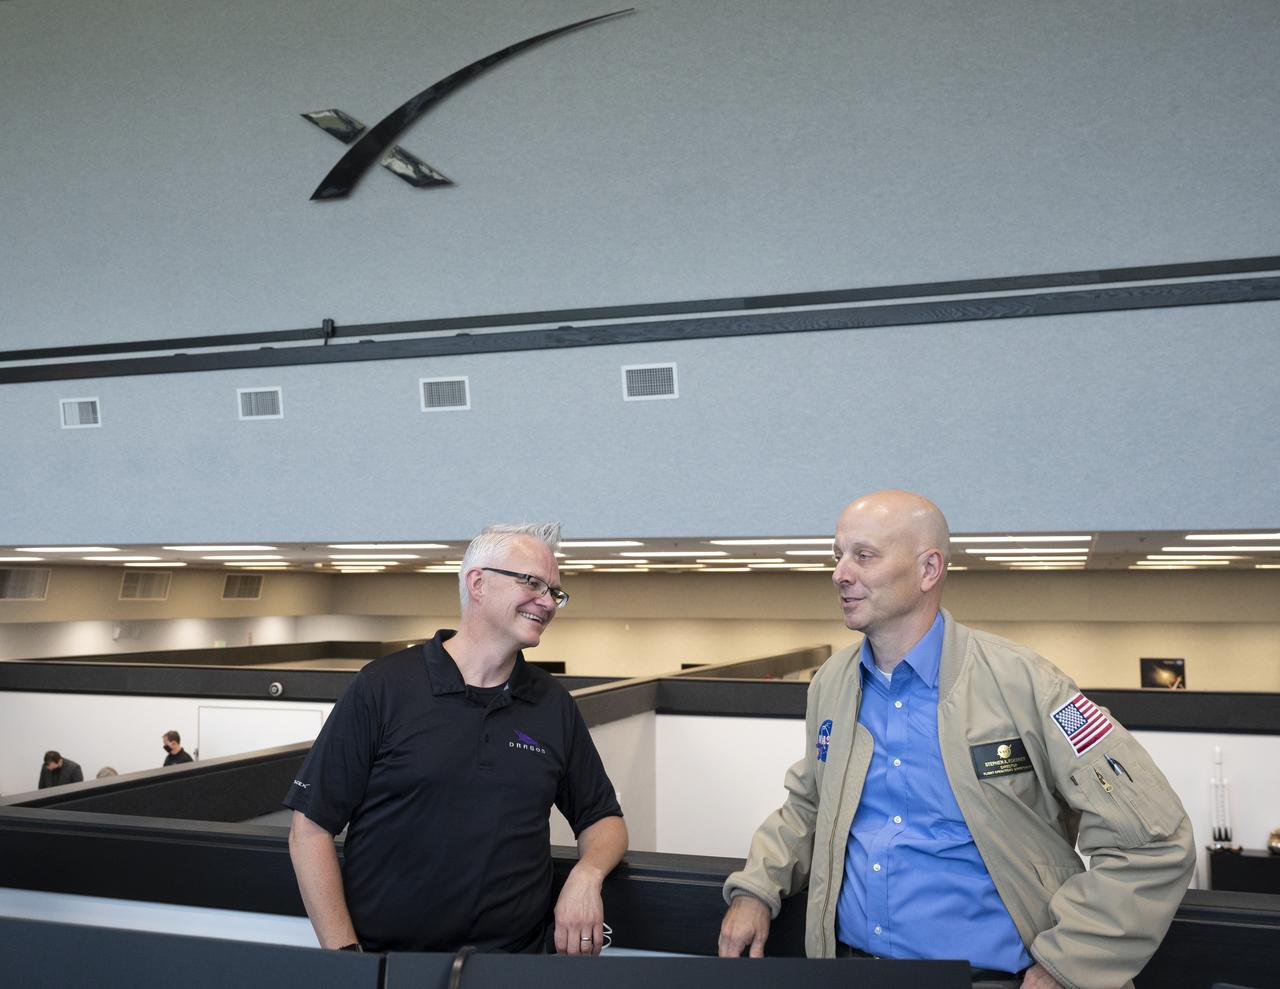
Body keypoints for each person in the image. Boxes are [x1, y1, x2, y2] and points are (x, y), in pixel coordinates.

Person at [719, 491, 1196, 989]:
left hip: (992, 978)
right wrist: (757, 887)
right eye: (837, 555)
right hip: (850, 968)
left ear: (929, 569)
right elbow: (809, 807)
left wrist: (1067, 965)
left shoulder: (1028, 685)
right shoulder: (832, 684)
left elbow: (1154, 841)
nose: (840, 573)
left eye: (863, 556)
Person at [285, 522, 627, 954]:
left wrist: (587, 875)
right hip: (389, 966)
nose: (547, 602)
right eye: (533, 583)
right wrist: (346, 960)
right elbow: (310, 831)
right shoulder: (383, 687)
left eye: (555, 591)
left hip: (515, 966)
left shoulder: (553, 704)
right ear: (478, 583)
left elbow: (603, 820)